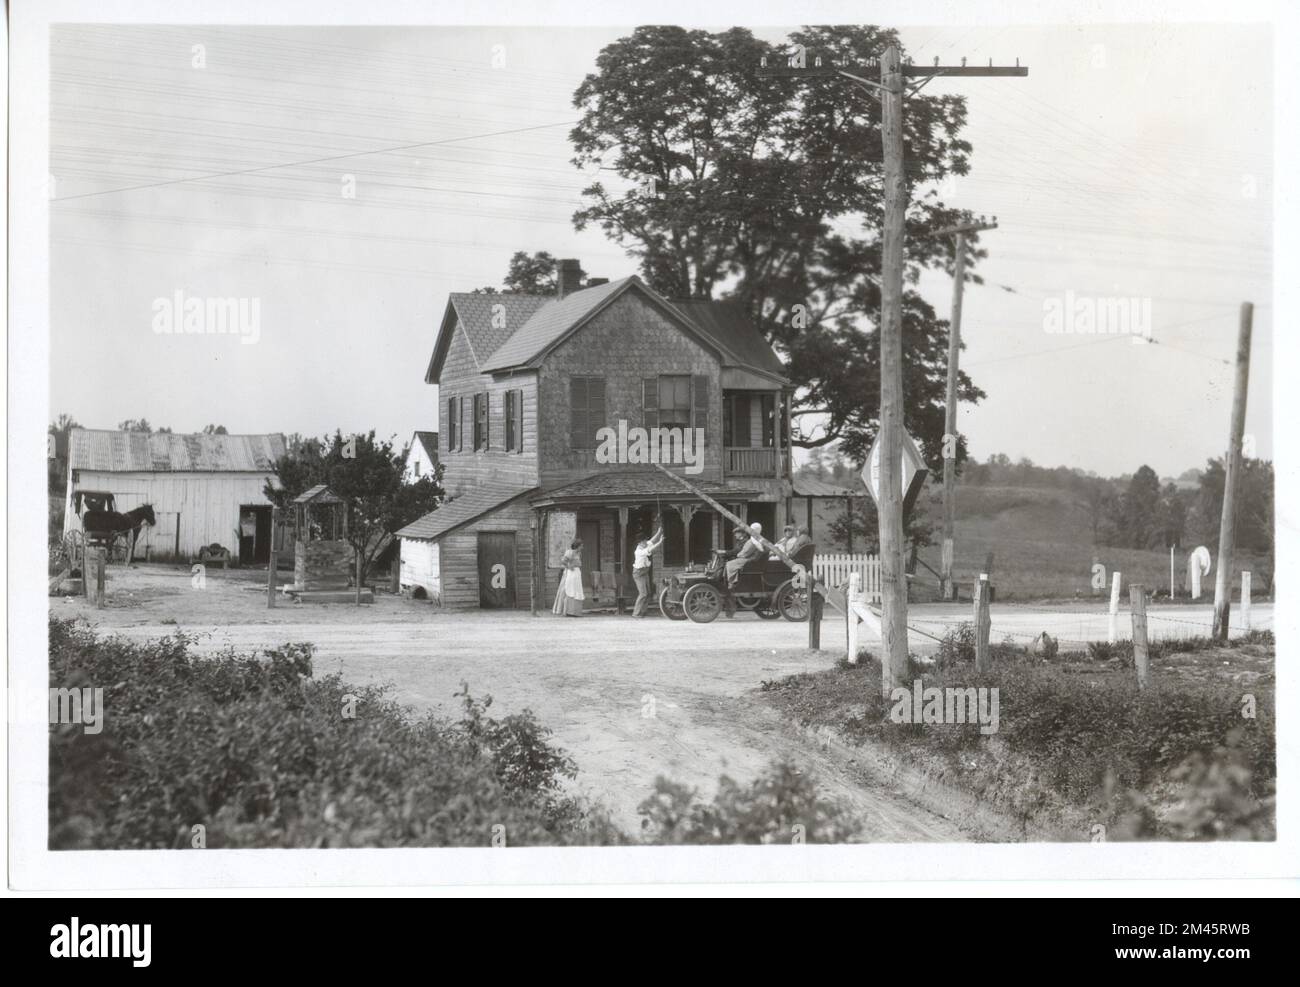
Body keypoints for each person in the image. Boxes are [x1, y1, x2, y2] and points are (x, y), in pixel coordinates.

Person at [632, 527, 665, 617]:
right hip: (638, 573)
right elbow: (651, 549)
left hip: (645, 571)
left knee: (648, 593)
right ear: (640, 542)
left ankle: (643, 612)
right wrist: (660, 542)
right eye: (644, 541)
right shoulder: (639, 551)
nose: (646, 542)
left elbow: (652, 541)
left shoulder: (644, 545)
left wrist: (658, 532)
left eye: (645, 540)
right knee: (643, 594)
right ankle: (636, 613)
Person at [552, 538, 585, 617]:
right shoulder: (570, 552)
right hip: (571, 573)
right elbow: (563, 561)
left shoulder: (578, 553)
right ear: (577, 546)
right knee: (570, 590)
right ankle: (567, 611)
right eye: (581, 546)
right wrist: (568, 566)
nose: (582, 547)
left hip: (577, 573)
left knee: (577, 590)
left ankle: (575, 611)